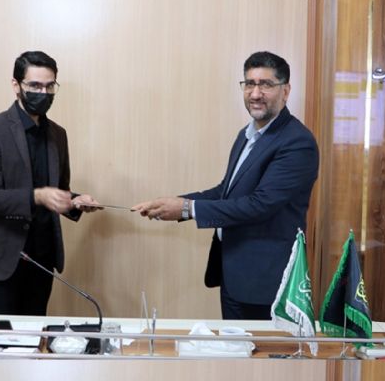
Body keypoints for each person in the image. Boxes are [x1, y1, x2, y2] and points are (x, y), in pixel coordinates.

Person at [132, 51, 320, 319]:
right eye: (249, 84)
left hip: (266, 282)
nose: (256, 93)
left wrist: (187, 209)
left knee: (259, 348)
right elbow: (226, 192)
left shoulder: (297, 142)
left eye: (266, 84)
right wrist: (173, 203)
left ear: (286, 91)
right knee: (234, 344)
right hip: (233, 273)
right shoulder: (246, 135)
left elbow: (260, 205)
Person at [0, 51, 101, 317]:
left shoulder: (58, 135)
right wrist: (37, 196)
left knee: (35, 333)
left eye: (49, 86)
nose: (43, 93)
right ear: (16, 85)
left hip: (43, 258)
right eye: (35, 86)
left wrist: (74, 201)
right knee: (2, 339)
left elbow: (58, 190)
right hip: (1, 261)